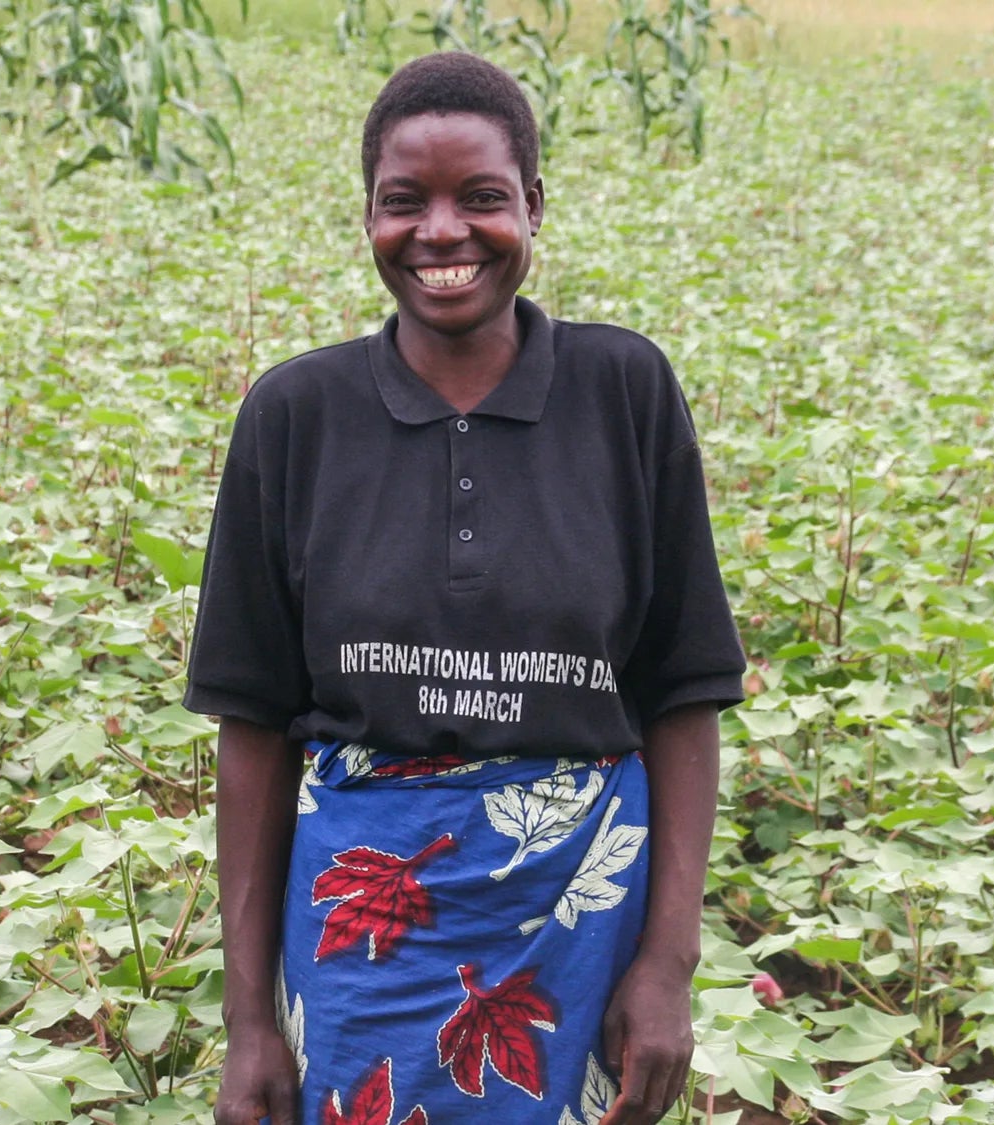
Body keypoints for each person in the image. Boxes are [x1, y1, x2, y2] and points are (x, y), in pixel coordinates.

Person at [185, 51, 746, 1125]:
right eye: (406, 203)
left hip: (578, 910)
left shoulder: (622, 390)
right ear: (367, 218)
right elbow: (250, 724)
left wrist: (665, 968)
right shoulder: (294, 416)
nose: (442, 234)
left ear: (532, 205)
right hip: (361, 924)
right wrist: (249, 1019)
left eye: (481, 198)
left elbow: (681, 693)